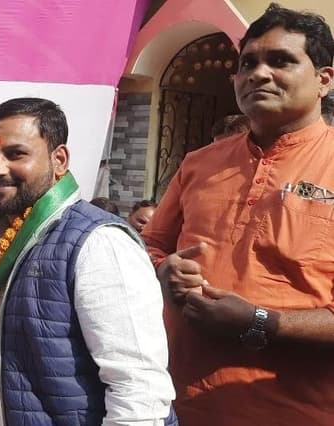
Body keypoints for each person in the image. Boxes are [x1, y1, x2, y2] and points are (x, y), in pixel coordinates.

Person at [141, 4, 334, 425]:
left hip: (299, 412)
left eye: (280, 60)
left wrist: (260, 322)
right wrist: (163, 270)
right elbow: (151, 245)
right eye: (247, 63)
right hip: (178, 404)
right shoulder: (200, 163)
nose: (258, 74)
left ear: (324, 79)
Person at [0, 98, 175, 425]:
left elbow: (139, 391)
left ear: (59, 160)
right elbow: (2, 346)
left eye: (16, 154)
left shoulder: (100, 242)